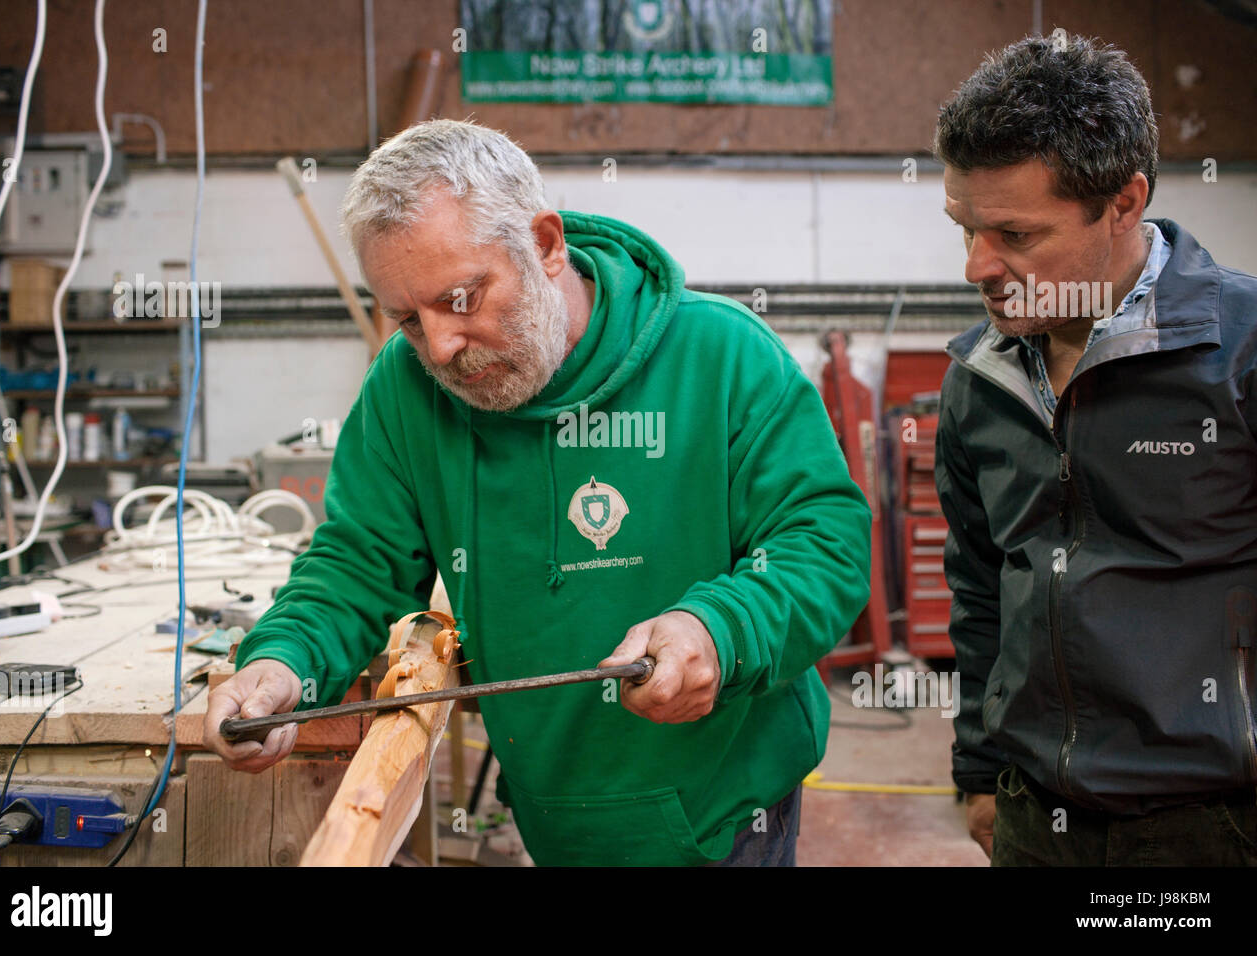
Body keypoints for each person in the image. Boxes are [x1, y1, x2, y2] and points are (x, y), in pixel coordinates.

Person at [202, 119, 871, 866]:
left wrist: (721, 629)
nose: (440, 346)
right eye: (408, 319)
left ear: (546, 246)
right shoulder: (403, 391)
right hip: (554, 817)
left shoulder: (722, 358)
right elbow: (357, 564)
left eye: (461, 298)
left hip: (728, 817)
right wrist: (285, 658)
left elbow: (824, 544)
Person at [933, 33, 1257, 866]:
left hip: (1217, 826)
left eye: (1015, 233)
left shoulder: (1244, 352)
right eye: (966, 227)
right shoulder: (980, 376)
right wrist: (978, 769)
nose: (979, 265)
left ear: (1124, 202)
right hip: (1033, 815)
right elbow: (979, 590)